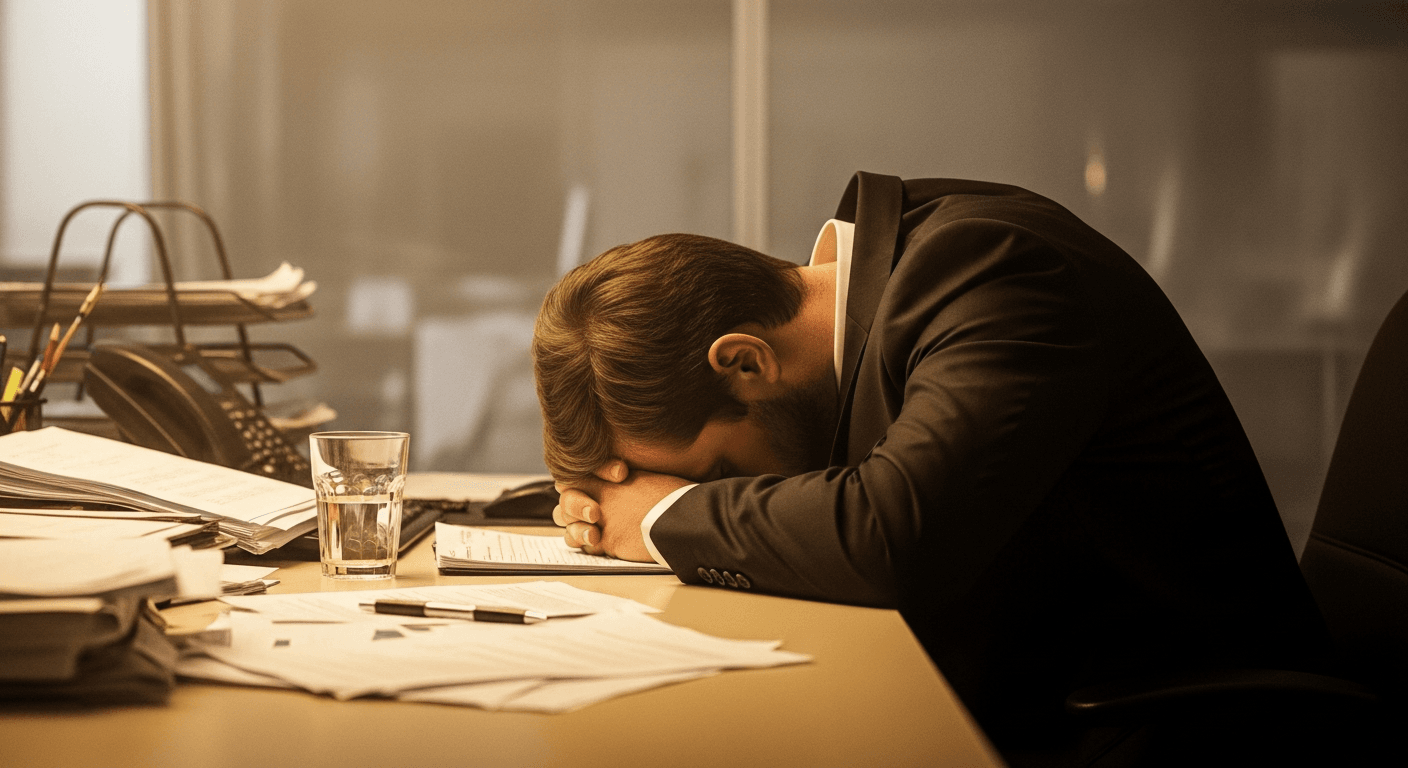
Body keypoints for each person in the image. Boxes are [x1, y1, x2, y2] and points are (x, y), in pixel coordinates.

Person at [531, 172, 1330, 762]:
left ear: (744, 362)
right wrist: (609, 508)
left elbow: (892, 534)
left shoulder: (994, 274)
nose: (707, 497)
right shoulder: (901, 291)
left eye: (710, 473)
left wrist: (665, 520)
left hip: (1167, 732)